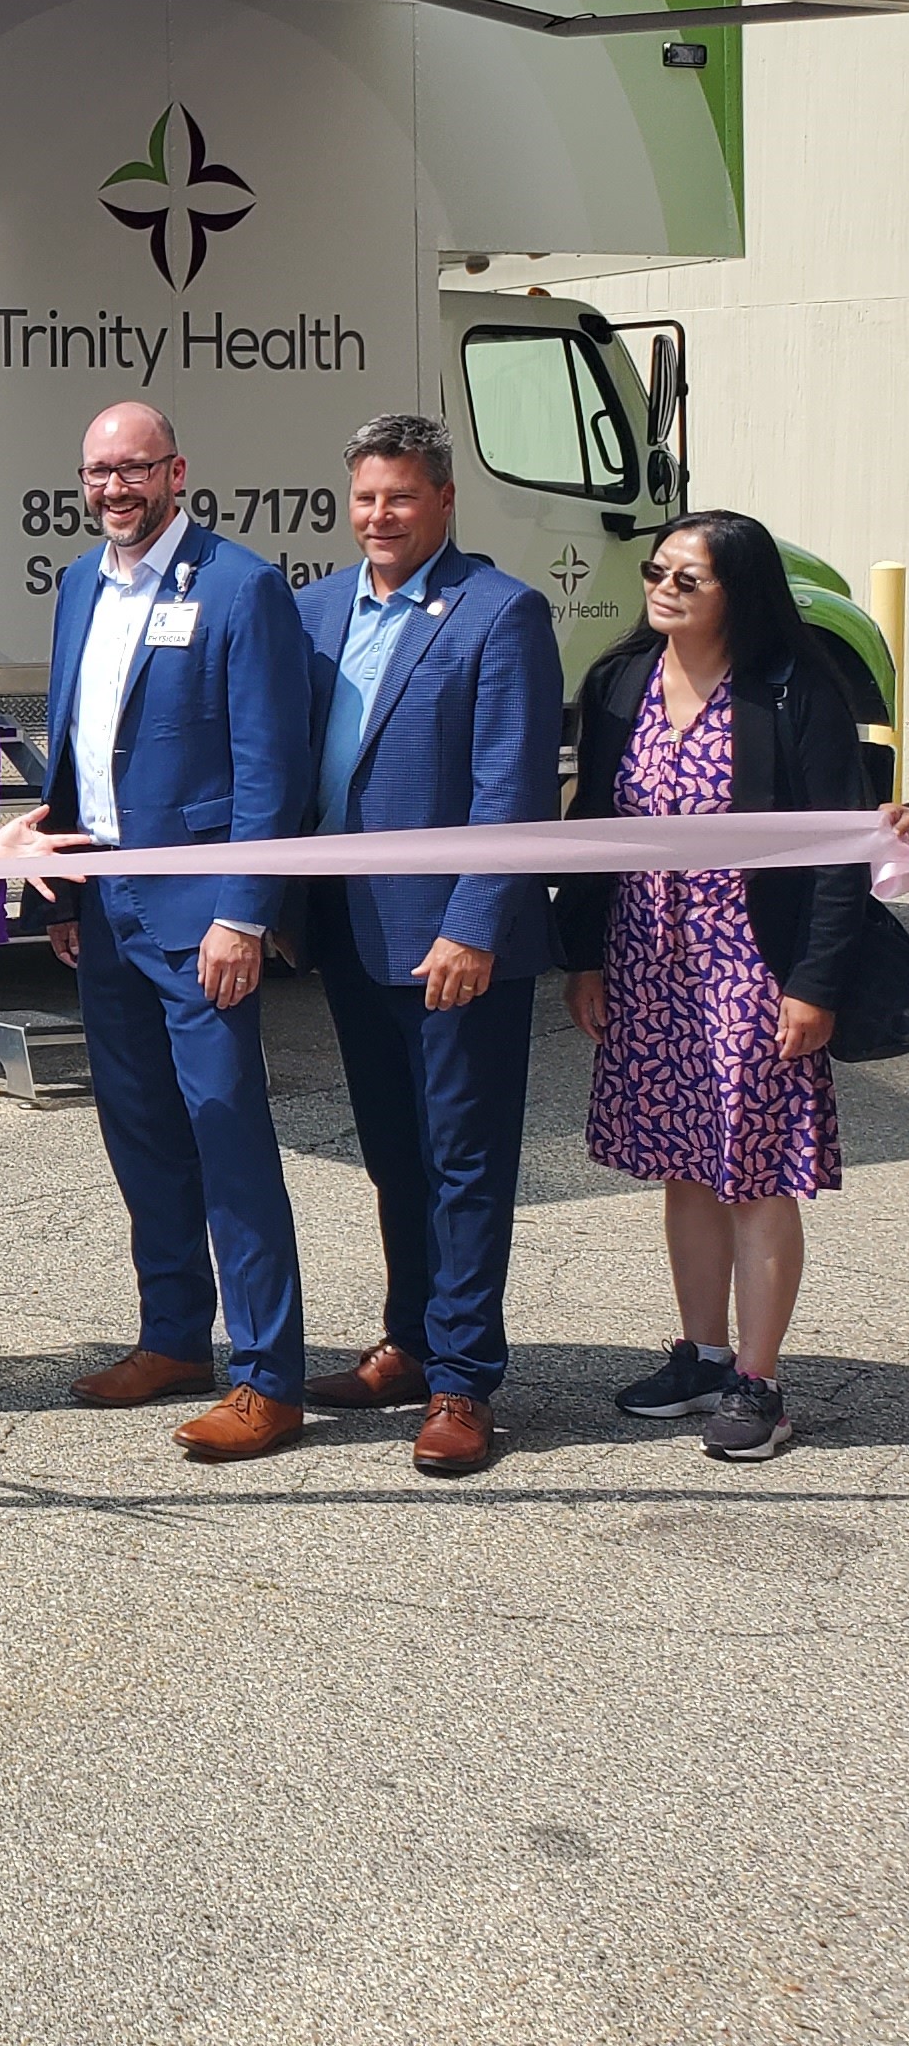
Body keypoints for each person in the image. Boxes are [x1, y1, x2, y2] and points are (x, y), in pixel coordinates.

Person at [0, 401, 311, 1463]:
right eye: (95, 473)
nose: (113, 488)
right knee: (139, 1132)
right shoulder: (79, 581)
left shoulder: (240, 584)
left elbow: (268, 763)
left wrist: (241, 908)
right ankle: (172, 1336)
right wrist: (63, 896)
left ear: (176, 472)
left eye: (133, 469)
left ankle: (266, 1374)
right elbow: (71, 743)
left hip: (199, 906)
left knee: (225, 1130)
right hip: (105, 903)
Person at [556, 511, 873, 1467]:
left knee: (755, 1173)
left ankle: (758, 1381)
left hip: (752, 966)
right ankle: (699, 1354)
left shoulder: (792, 689)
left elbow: (837, 847)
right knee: (684, 1163)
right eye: (657, 571)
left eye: (687, 578)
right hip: (649, 960)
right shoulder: (618, 681)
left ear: (740, 590)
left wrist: (814, 982)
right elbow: (590, 832)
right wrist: (585, 956)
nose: (663, 587)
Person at [292, 414, 561, 1478]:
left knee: (462, 1161)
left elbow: (513, 784)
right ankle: (405, 1340)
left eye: (399, 496)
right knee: (391, 1153)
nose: (378, 516)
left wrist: (472, 919)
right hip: (350, 929)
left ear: (444, 499)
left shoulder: (499, 612)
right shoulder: (314, 607)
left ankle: (462, 1381)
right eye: (364, 496)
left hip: (453, 942)